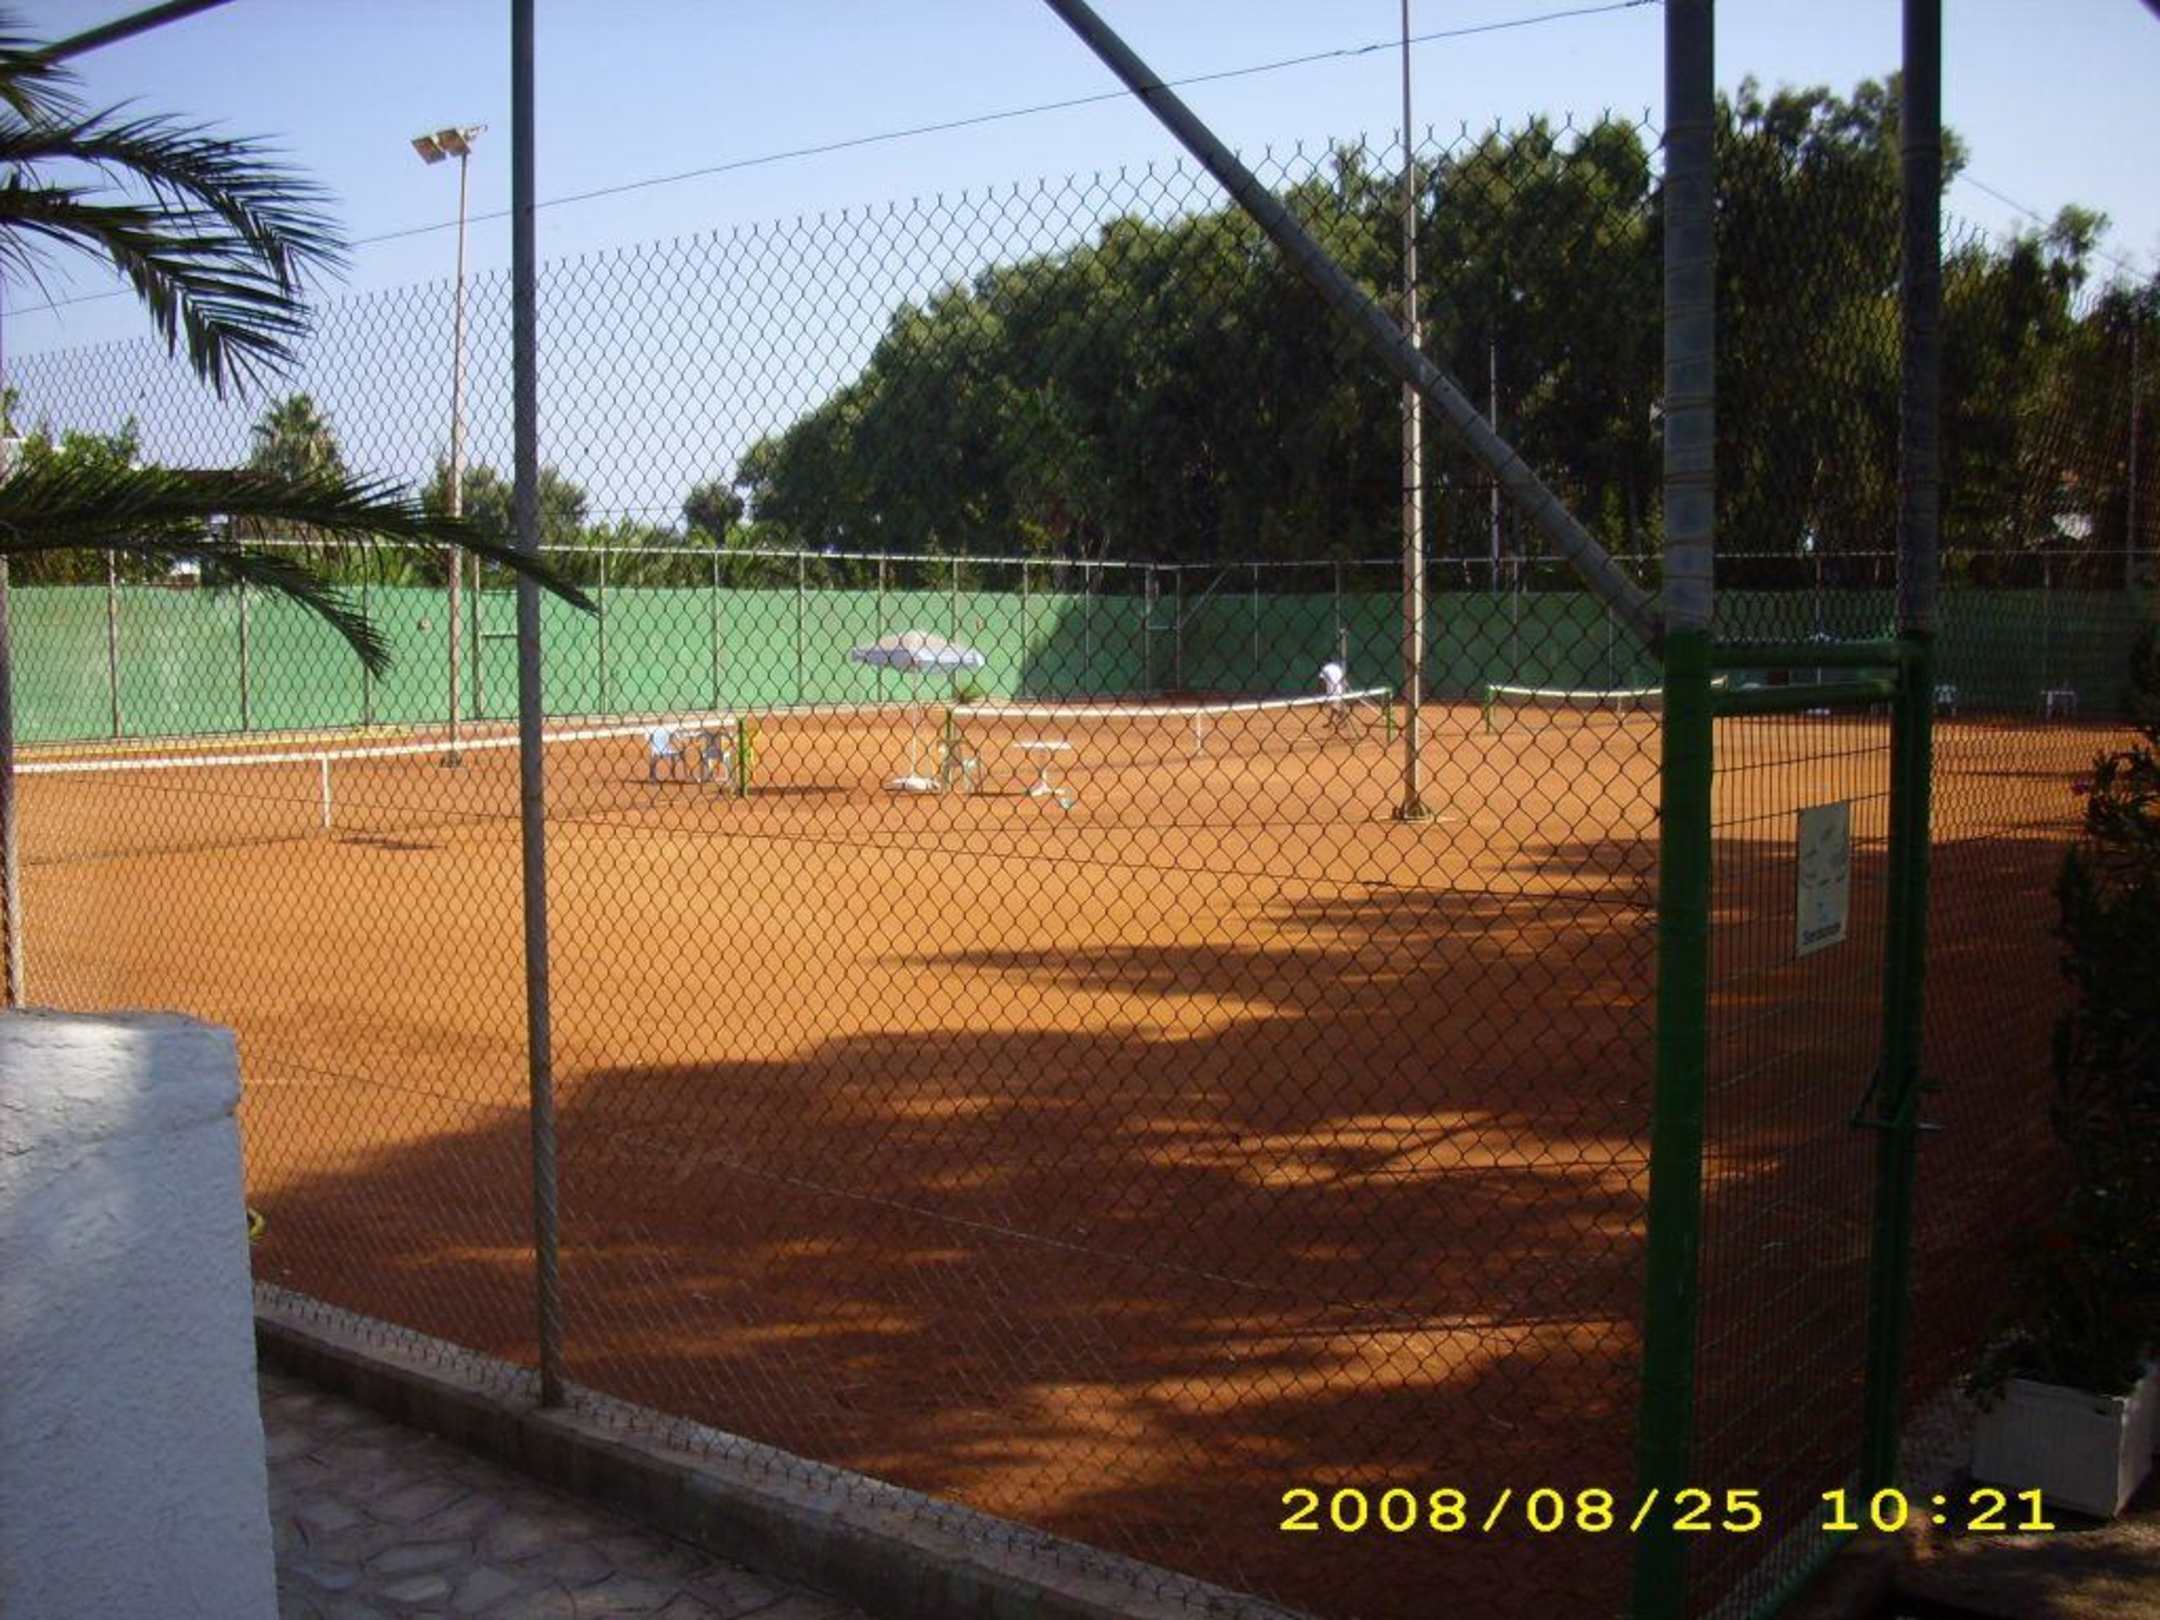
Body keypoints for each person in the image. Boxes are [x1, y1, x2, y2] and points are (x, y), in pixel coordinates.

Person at [1318, 658, 1350, 733]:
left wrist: (1320, 689)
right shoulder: (1337, 667)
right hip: (1340, 690)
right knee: (1334, 707)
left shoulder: (1325, 668)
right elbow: (1343, 678)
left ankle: (1343, 720)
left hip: (1332, 691)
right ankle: (1330, 722)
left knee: (1334, 707)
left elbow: (1321, 679)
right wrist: (1347, 685)